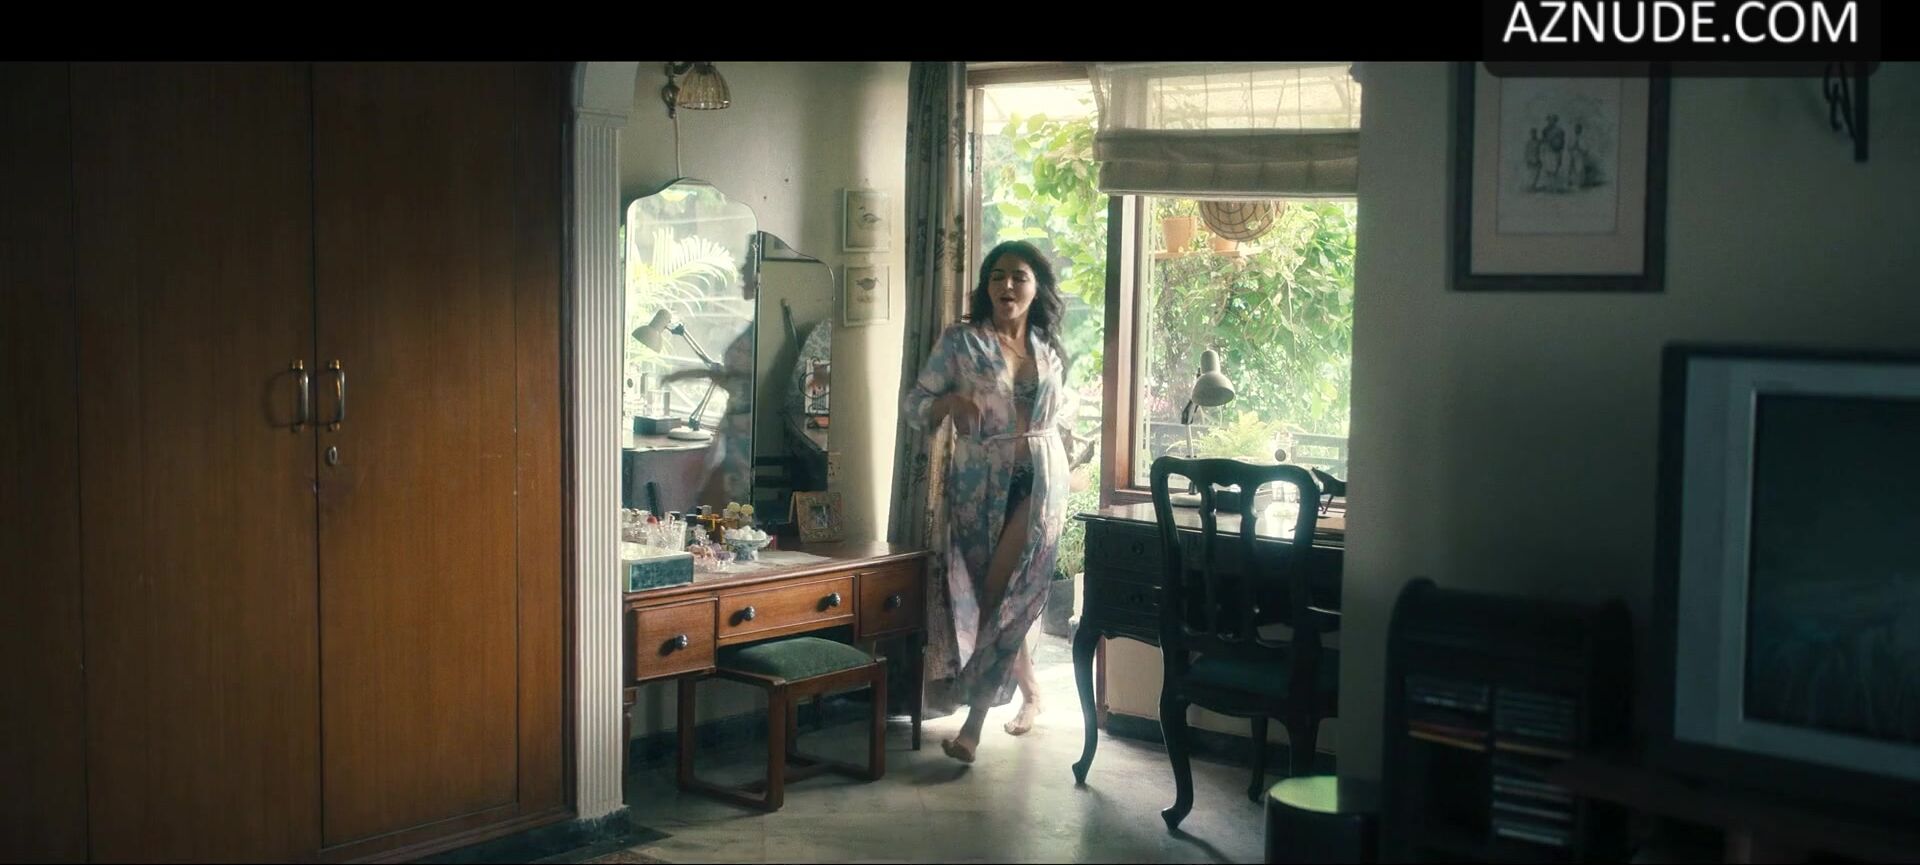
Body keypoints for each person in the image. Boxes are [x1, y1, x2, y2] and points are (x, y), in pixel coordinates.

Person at [903, 240, 1076, 763]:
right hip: (977, 484)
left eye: (1019, 276)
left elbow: (1058, 414)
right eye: (997, 276)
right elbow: (915, 405)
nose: (1007, 286)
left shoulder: (1048, 346)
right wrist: (951, 401)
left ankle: (973, 725)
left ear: (1037, 287)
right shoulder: (961, 342)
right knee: (990, 597)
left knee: (1005, 592)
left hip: (1040, 482)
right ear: (987, 286)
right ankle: (1032, 692)